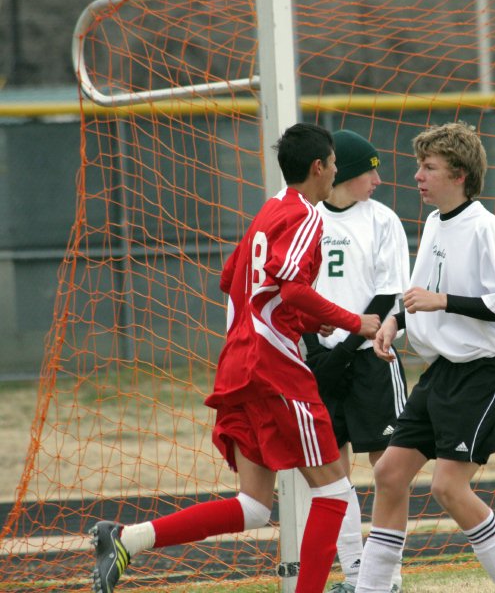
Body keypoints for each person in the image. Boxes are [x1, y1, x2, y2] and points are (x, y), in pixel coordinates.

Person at [89, 123, 381, 593]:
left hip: (238, 364)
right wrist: (354, 321)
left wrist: (305, 321)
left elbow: (236, 283)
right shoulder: (308, 216)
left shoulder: (267, 212)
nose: (334, 171)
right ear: (319, 167)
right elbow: (292, 289)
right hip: (275, 368)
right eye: (332, 163)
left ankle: (127, 539)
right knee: (334, 492)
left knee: (253, 506)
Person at [355, 122, 495, 593]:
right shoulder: (436, 222)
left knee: (447, 488)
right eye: (420, 165)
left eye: (429, 167)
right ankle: (374, 589)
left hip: (485, 371)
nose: (418, 175)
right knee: (389, 473)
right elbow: (416, 292)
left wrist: (445, 301)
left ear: (458, 174)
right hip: (444, 372)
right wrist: (395, 321)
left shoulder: (486, 229)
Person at [300, 129, 410, 593]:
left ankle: (387, 578)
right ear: (344, 173)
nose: (378, 179)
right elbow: (293, 288)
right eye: (370, 170)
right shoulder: (305, 220)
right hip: (318, 363)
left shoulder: (383, 221)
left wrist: (344, 349)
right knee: (330, 473)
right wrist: (311, 347)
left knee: (389, 467)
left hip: (370, 360)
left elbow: (391, 295)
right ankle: (354, 575)